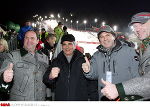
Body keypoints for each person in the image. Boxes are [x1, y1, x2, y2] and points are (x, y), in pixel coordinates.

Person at [100, 12, 150, 101]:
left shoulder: (130, 51)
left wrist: (120, 89)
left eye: (141, 24)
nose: (137, 29)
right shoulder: (144, 46)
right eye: (135, 26)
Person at [82, 25, 139, 100]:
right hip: (104, 96)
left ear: (114, 36)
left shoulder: (129, 51)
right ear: (99, 40)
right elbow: (94, 75)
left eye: (107, 35)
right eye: (101, 37)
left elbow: (137, 77)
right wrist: (88, 71)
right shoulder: (96, 55)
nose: (105, 38)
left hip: (124, 97)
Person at [0, 30, 49, 101]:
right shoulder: (13, 56)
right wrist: (4, 78)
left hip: (40, 100)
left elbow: (47, 80)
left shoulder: (44, 58)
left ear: (37, 41)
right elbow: (2, 77)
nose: (29, 40)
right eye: (26, 38)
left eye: (32, 38)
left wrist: (49, 97)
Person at [43, 34, 93, 101]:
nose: (67, 47)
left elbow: (91, 83)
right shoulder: (56, 61)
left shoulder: (83, 60)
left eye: (70, 44)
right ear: (61, 46)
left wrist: (89, 72)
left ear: (74, 45)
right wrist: (50, 76)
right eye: (64, 44)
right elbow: (45, 79)